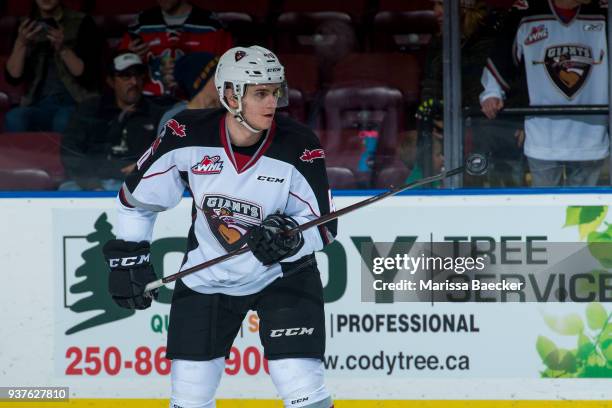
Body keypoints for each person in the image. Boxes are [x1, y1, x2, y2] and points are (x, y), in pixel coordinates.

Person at [102, 46, 337, 408]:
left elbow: (323, 227)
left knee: (303, 390)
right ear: (230, 94)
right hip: (207, 278)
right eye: (260, 93)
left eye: (275, 91)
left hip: (283, 276)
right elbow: (137, 201)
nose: (272, 102)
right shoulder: (185, 135)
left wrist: (290, 239)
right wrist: (129, 257)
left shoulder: (299, 145)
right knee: (190, 398)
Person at [480, 0, 608, 187]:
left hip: (591, 135)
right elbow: (501, 56)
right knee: (544, 208)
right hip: (542, 136)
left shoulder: (604, 10)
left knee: (583, 211)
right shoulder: (526, 11)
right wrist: (492, 92)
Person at [60, 52, 164, 191]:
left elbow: (169, 153)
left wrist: (145, 167)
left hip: (138, 185)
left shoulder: (156, 113)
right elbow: (70, 150)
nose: (134, 82)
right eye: (126, 76)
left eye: (138, 75)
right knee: (67, 190)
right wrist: (92, 184)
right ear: (110, 81)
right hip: (90, 184)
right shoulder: (90, 110)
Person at [3, 0, 101, 132]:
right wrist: (21, 43)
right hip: (38, 103)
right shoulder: (24, 24)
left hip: (74, 101)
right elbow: (13, 77)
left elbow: (88, 76)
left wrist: (63, 49)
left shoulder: (82, 21)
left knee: (62, 121)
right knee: (14, 118)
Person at [119, 0, 233, 99]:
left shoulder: (212, 27)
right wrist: (130, 57)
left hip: (195, 106)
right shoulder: (140, 25)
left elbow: (228, 75)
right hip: (148, 108)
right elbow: (118, 71)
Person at [156, 51, 220, 135]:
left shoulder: (231, 112)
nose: (225, 80)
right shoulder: (174, 119)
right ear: (200, 82)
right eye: (217, 74)